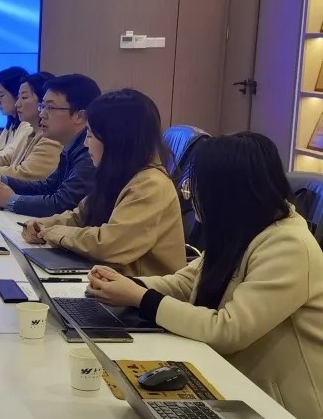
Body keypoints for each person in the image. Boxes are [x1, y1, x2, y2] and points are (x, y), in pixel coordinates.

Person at [86, 133, 323, 418]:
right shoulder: (244, 226)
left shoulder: (289, 245)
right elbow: (186, 282)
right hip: (228, 380)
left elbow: (229, 330)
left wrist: (143, 299)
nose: (191, 195)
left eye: (198, 188)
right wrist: (128, 285)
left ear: (227, 192)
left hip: (279, 405)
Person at [18, 89, 185, 277]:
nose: (86, 144)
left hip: (141, 289)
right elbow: (80, 216)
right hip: (112, 279)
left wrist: (54, 233)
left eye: (90, 135)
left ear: (116, 139)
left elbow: (110, 244)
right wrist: (42, 224)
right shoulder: (119, 175)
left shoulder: (151, 185)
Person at [0, 73, 100, 217]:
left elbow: (63, 203)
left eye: (50, 108)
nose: (42, 114)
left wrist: (11, 200)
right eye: (42, 106)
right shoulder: (70, 146)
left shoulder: (90, 150)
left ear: (79, 116)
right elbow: (47, 187)